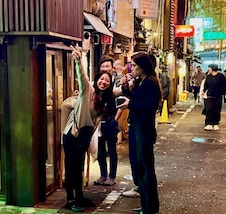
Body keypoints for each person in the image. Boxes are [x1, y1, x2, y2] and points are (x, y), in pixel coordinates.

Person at [62, 45, 115, 212]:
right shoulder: (88, 90)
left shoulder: (104, 101)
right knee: (71, 168)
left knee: (79, 168)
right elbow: (81, 74)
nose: (104, 82)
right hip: (72, 134)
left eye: (107, 81)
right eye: (102, 79)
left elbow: (96, 122)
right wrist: (78, 59)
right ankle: (70, 200)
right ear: (97, 78)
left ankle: (79, 196)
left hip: (83, 137)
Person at [118, 52, 162, 214]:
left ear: (143, 67)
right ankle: (145, 205)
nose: (132, 68)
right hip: (137, 128)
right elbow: (135, 99)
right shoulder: (142, 81)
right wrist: (126, 87)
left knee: (145, 168)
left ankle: (150, 207)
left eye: (135, 65)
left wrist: (131, 104)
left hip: (144, 130)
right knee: (139, 166)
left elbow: (150, 107)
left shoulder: (150, 82)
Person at [94, 55, 122, 186]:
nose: (105, 68)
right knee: (100, 151)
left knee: (112, 151)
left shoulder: (113, 89)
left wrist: (115, 120)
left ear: (112, 68)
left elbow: (122, 100)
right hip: (98, 125)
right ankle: (103, 175)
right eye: (103, 66)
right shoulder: (96, 89)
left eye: (108, 66)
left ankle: (112, 177)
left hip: (110, 123)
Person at [201, 64, 226, 131]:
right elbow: (206, 85)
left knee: (217, 109)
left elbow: (225, 85)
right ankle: (209, 123)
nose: (209, 70)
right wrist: (203, 91)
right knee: (209, 109)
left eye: (209, 68)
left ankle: (215, 123)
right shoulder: (208, 77)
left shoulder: (221, 76)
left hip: (218, 95)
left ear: (213, 69)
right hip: (210, 95)